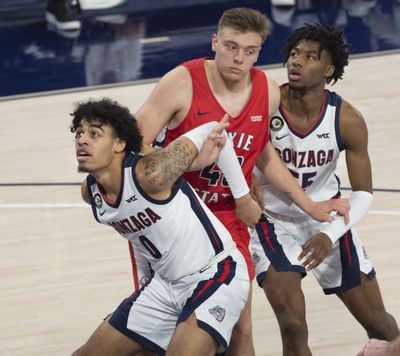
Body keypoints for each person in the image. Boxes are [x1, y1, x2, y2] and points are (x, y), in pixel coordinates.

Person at [134, 7, 349, 355]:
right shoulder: (181, 81)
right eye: (231, 47)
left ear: (259, 52)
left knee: (239, 327)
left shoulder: (267, 89)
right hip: (175, 219)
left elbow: (262, 151)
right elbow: (136, 145)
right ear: (215, 42)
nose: (239, 58)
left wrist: (309, 204)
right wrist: (180, 160)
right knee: (167, 332)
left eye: (250, 51)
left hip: (228, 218)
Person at [250, 22, 399, 355]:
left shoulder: (347, 119)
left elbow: (363, 193)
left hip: (325, 219)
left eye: (309, 56)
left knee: (379, 324)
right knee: (292, 323)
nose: (296, 61)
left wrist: (329, 234)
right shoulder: (266, 103)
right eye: (294, 54)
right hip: (273, 221)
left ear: (328, 69)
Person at [70, 98, 252, 355]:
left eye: (94, 134)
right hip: (164, 286)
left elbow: (212, 127)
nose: (82, 140)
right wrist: (144, 281)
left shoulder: (152, 173)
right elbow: (138, 235)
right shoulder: (91, 193)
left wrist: (241, 194)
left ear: (119, 144)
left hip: (215, 272)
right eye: (79, 133)